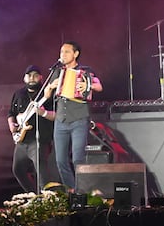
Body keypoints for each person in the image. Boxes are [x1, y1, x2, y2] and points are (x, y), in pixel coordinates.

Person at [43, 41, 103, 190]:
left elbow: (99, 85)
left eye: (66, 52)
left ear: (75, 54)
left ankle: (84, 191)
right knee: (60, 160)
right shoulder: (57, 71)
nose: (63, 55)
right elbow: (46, 94)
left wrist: (88, 86)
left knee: (78, 159)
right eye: (61, 52)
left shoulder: (85, 70)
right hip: (60, 121)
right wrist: (51, 86)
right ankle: (72, 190)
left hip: (79, 119)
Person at [7, 65, 59, 193]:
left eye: (35, 75)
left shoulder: (48, 93)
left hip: (39, 140)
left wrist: (43, 113)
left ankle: (47, 201)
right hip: (22, 140)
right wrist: (13, 128)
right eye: (29, 75)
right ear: (24, 78)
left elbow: (59, 116)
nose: (32, 78)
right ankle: (34, 196)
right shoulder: (19, 94)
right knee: (18, 170)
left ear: (41, 77)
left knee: (41, 174)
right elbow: (11, 114)